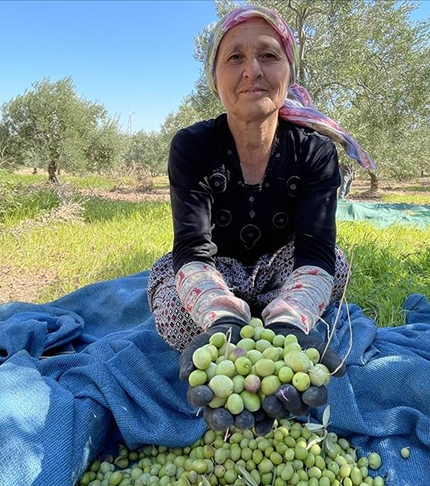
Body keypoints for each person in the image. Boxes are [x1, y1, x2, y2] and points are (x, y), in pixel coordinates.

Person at [146, 5, 374, 429]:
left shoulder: (314, 151)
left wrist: (289, 325)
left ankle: (274, 318)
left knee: (337, 266)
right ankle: (243, 318)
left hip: (280, 273)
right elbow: (193, 250)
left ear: (289, 70)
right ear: (215, 79)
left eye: (268, 55)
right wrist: (223, 320)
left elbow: (316, 252)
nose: (252, 70)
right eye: (234, 57)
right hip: (218, 272)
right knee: (172, 298)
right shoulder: (192, 146)